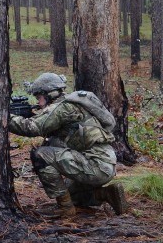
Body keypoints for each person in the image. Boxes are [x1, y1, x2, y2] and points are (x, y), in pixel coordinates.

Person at [9, 72, 127, 218]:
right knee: (73, 195)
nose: (38, 103)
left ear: (49, 94)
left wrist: (5, 117)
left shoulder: (62, 108)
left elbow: (32, 128)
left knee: (40, 155)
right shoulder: (72, 104)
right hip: (104, 164)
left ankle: (64, 208)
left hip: (94, 165)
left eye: (39, 98)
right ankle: (106, 194)